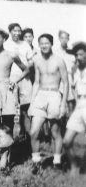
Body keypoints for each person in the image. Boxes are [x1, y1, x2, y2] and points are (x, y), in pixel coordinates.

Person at [29, 33, 69, 169]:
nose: (44, 46)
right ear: (38, 45)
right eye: (41, 43)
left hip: (54, 95)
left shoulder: (59, 60)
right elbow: (36, 82)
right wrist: (31, 103)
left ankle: (57, 162)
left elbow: (66, 82)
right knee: (33, 131)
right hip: (40, 95)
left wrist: (63, 105)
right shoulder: (37, 60)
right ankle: (36, 162)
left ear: (51, 44)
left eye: (47, 43)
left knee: (55, 132)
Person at [4, 23, 35, 138]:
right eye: (14, 31)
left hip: (25, 78)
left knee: (26, 109)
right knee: (10, 110)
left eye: (18, 31)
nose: (16, 33)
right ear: (10, 31)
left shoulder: (25, 44)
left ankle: (28, 138)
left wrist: (25, 68)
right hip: (10, 79)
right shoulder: (5, 44)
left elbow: (31, 63)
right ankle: (9, 139)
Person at [63, 42, 86, 176]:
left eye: (81, 54)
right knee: (67, 141)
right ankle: (74, 166)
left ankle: (83, 164)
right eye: (76, 55)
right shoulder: (74, 70)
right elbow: (73, 87)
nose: (78, 57)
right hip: (79, 106)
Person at [54, 30, 76, 115]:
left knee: (71, 104)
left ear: (68, 39)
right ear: (59, 39)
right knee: (59, 105)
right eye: (62, 38)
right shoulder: (55, 52)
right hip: (59, 80)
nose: (64, 40)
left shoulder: (72, 53)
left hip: (70, 79)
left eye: (66, 38)